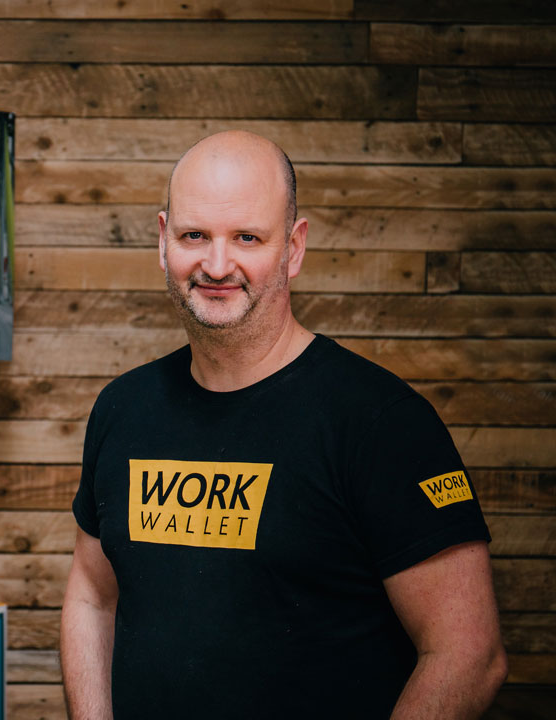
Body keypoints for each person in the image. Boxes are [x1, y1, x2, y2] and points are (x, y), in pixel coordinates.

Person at [60, 131, 507, 718]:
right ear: (163, 239)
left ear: (293, 248)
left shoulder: (380, 423)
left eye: (247, 237)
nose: (217, 264)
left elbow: (469, 656)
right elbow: (92, 597)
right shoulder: (124, 408)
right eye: (196, 235)